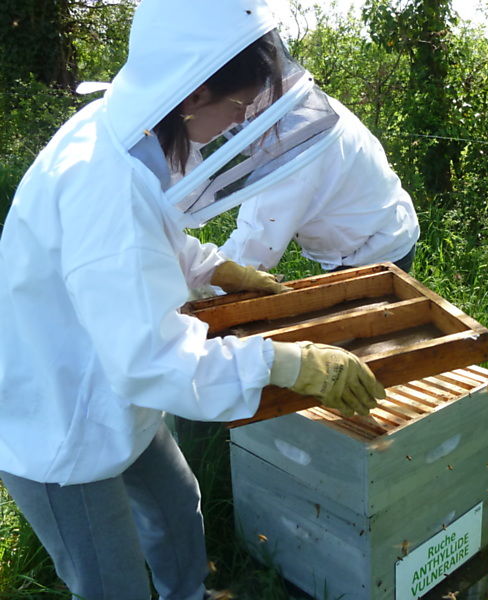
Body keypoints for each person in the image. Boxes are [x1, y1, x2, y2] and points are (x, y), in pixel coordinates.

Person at [0, 2, 385, 599]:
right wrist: (291, 363)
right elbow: (153, 360)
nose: (240, 122)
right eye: (239, 106)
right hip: (61, 419)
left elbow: (154, 240)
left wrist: (215, 266)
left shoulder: (128, 131)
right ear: (194, 92)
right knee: (111, 582)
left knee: (177, 505)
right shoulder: (103, 189)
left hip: (108, 377)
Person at [216, 48, 420, 275]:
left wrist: (204, 284)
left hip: (375, 253)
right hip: (381, 233)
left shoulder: (295, 146)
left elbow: (256, 246)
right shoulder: (307, 112)